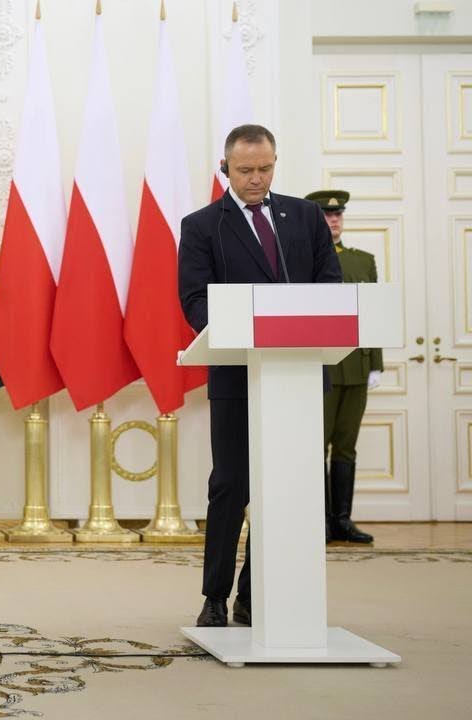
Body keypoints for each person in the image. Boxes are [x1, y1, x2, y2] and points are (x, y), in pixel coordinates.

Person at [178, 125, 342, 628]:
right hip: (237, 375)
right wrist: (242, 328)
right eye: (245, 170)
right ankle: (214, 597)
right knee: (231, 486)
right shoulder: (203, 225)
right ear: (224, 168)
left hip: (296, 377)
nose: (256, 179)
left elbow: (329, 285)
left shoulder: (306, 216)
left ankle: (253, 595)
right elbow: (194, 300)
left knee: (285, 487)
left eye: (265, 168)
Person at [306, 189, 378, 545]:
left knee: (347, 445)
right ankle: (319, 520)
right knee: (317, 444)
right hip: (323, 366)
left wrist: (375, 363)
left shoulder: (363, 261)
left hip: (357, 367)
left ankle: (342, 520)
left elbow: (372, 316)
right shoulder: (306, 260)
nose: (333, 220)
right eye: (326, 215)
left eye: (338, 215)